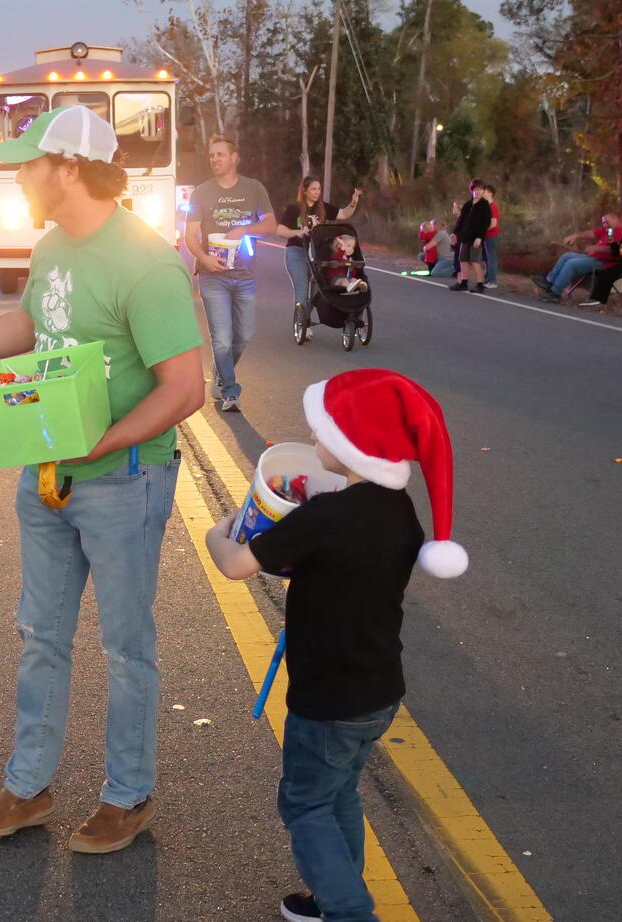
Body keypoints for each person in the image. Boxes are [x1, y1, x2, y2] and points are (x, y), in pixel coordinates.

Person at [0, 104, 204, 856]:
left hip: (123, 480)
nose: (15, 175)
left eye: (28, 164)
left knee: (125, 645)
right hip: (49, 474)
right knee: (40, 634)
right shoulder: (52, 247)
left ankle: (127, 794)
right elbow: (29, 328)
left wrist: (102, 444)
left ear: (71, 168)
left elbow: (185, 389)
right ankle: (29, 784)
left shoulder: (145, 262)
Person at [203, 368, 467, 922]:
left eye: (323, 431)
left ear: (354, 444)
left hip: (328, 696)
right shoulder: (399, 512)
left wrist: (221, 527)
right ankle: (330, 900)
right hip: (378, 691)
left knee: (304, 803)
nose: (314, 440)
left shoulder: (324, 515)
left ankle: (349, 912)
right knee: (339, 792)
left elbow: (235, 565)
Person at [185, 135, 278, 412]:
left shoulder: (254, 188)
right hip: (213, 275)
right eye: (212, 155)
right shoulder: (201, 192)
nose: (215, 159)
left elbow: (271, 224)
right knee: (222, 338)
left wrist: (243, 229)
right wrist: (203, 259)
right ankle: (230, 391)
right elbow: (190, 235)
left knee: (243, 336)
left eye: (220, 155)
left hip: (244, 274)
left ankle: (220, 371)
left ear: (233, 157)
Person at [275, 177, 362, 328]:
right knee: (302, 289)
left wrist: (354, 201)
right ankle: (301, 325)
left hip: (317, 254)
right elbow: (280, 231)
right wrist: (299, 232)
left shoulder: (323, 208)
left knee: (318, 292)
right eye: (313, 189)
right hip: (297, 251)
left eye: (319, 189)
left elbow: (344, 214)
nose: (317, 192)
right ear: (304, 190)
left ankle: (303, 320)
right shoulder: (294, 208)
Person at [450, 181, 492, 293]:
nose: (478, 192)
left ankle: (480, 284)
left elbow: (485, 223)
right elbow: (462, 220)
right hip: (465, 237)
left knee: (474, 261)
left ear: (483, 191)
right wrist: (455, 232)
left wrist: (479, 237)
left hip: (476, 238)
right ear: (472, 190)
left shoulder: (484, 205)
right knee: (463, 259)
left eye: (480, 189)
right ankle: (463, 282)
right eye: (476, 189)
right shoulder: (468, 205)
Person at [480, 182, 502, 287]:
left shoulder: (492, 207)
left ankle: (492, 281)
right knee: (486, 258)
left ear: (489, 193)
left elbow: (493, 224)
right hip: (486, 236)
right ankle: (488, 278)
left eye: (484, 191)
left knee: (491, 257)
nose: (482, 193)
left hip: (491, 236)